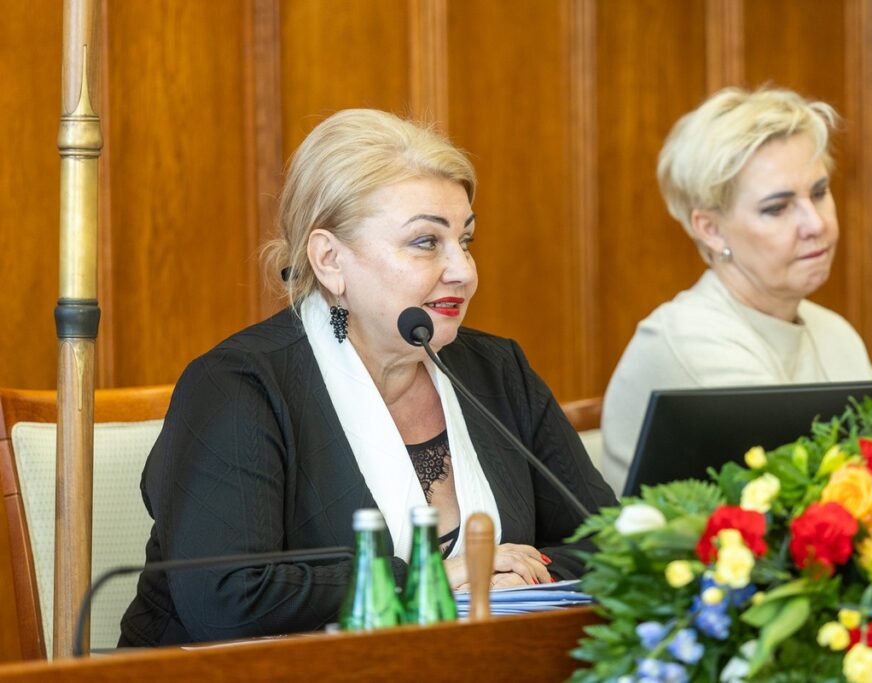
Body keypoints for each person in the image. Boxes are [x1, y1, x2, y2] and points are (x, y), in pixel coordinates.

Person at [119, 109, 616, 647]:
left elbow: (611, 544)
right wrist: (431, 580)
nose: (464, 272)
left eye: (465, 241)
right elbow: (228, 600)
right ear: (330, 259)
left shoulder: (496, 370)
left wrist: (510, 572)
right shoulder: (239, 386)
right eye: (427, 242)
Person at [601, 87, 872, 494]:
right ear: (710, 229)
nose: (815, 223)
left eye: (819, 193)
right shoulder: (685, 340)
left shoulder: (833, 331)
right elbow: (807, 500)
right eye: (777, 208)